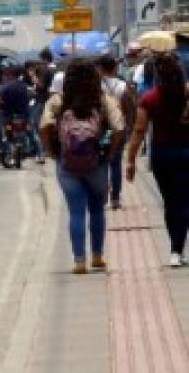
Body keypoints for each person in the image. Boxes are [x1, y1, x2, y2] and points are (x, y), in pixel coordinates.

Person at [41, 59, 125, 274]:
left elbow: (45, 126)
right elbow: (119, 127)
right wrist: (111, 153)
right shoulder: (103, 101)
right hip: (96, 162)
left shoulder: (58, 101)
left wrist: (52, 151)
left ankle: (79, 260)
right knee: (97, 210)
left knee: (76, 211)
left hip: (67, 163)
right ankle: (97, 256)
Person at [125, 54, 189, 267]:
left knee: (171, 203)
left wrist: (131, 160)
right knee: (183, 202)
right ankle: (178, 248)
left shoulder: (149, 98)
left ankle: (175, 250)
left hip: (162, 155)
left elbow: (139, 130)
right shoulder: (187, 93)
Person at [99, 55, 134, 210]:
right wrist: (130, 127)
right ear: (115, 68)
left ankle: (102, 196)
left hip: (101, 128)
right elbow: (129, 108)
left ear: (100, 69)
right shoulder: (122, 86)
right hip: (119, 128)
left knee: (101, 163)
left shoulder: (96, 86)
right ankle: (115, 199)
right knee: (116, 164)